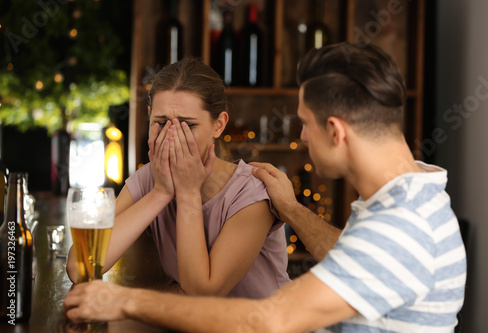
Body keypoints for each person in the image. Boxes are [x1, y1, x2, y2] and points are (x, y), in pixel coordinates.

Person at [64, 43, 466, 332]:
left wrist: (124, 300)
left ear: (335, 131)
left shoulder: (401, 227)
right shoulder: (400, 201)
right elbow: (349, 253)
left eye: (306, 123)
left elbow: (269, 321)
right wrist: (291, 210)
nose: (303, 138)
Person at [65, 57, 291, 298]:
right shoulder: (149, 178)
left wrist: (187, 193)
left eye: (187, 125)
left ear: (218, 125)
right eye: (161, 123)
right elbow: (80, 268)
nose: (172, 137)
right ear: (149, 116)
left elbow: (203, 293)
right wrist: (160, 192)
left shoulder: (252, 192)